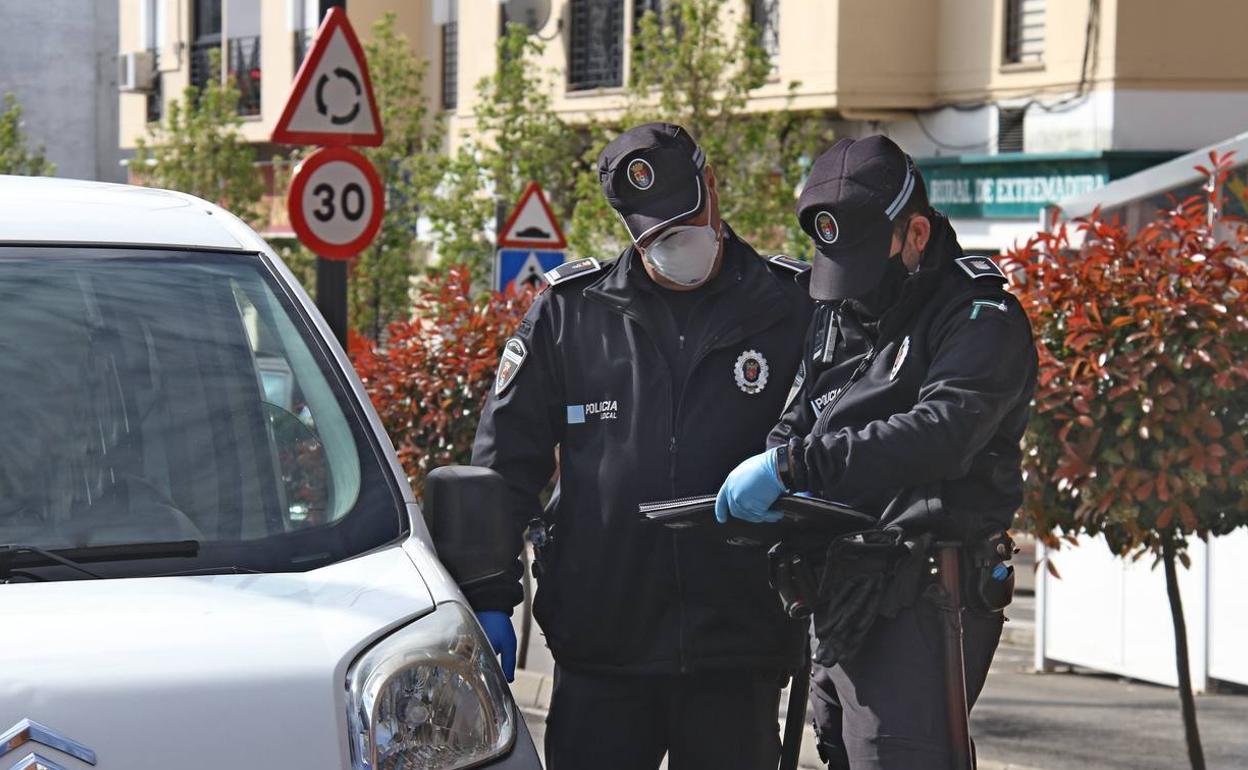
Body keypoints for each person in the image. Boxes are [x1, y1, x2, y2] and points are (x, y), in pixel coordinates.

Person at [469, 122, 814, 769]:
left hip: (738, 647)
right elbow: (504, 465)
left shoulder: (791, 306)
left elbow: (837, 445)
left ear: (712, 186)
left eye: (683, 221)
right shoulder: (571, 313)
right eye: (654, 233)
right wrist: (488, 593)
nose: (673, 242)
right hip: (603, 645)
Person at [715, 135, 1038, 769]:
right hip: (843, 586)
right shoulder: (841, 310)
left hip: (927, 590)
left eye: (865, 263)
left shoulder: (980, 315)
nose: (853, 287)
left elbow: (941, 432)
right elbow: (802, 414)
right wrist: (775, 471)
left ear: (916, 233)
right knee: (842, 750)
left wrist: (795, 468)